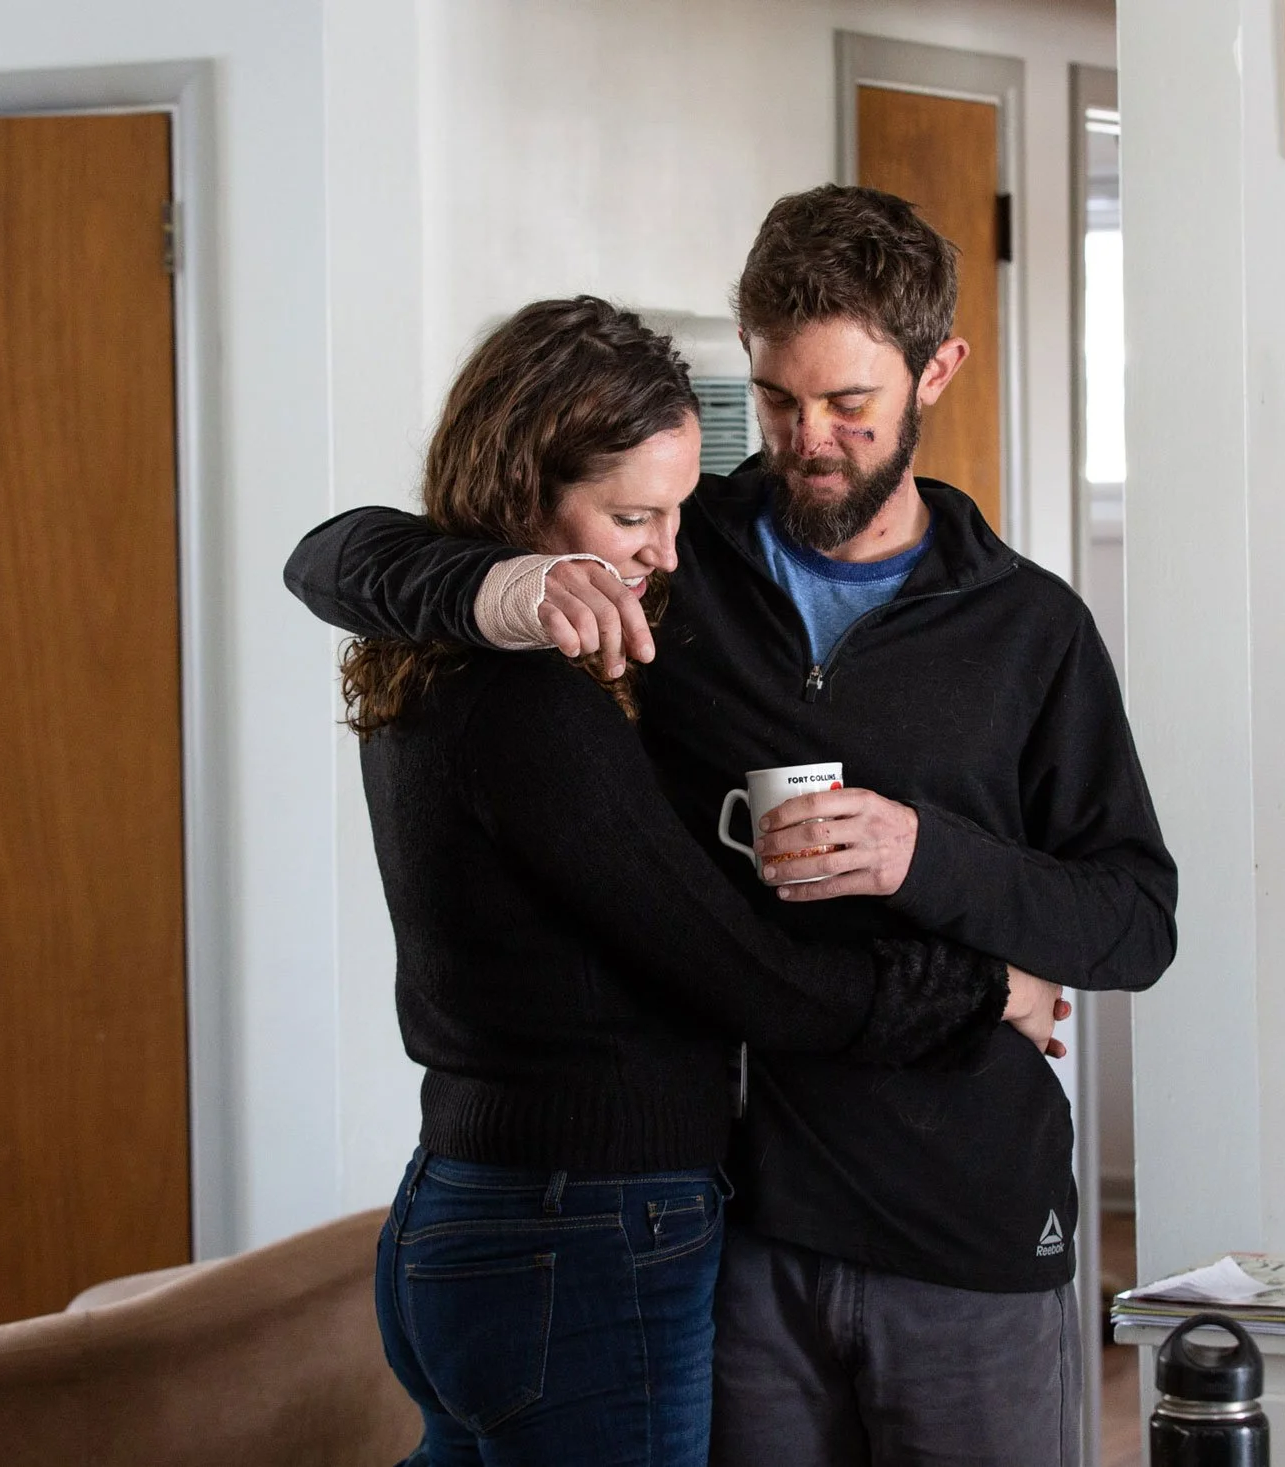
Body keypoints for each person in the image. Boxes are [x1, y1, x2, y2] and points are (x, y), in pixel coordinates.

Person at [285, 185, 1178, 1467]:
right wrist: (503, 582)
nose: (807, 441)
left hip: (963, 1227)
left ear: (939, 370)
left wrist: (926, 854)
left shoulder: (1030, 630)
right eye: (774, 399)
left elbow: (1134, 922)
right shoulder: (654, 559)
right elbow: (334, 557)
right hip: (741, 1228)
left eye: (849, 406)